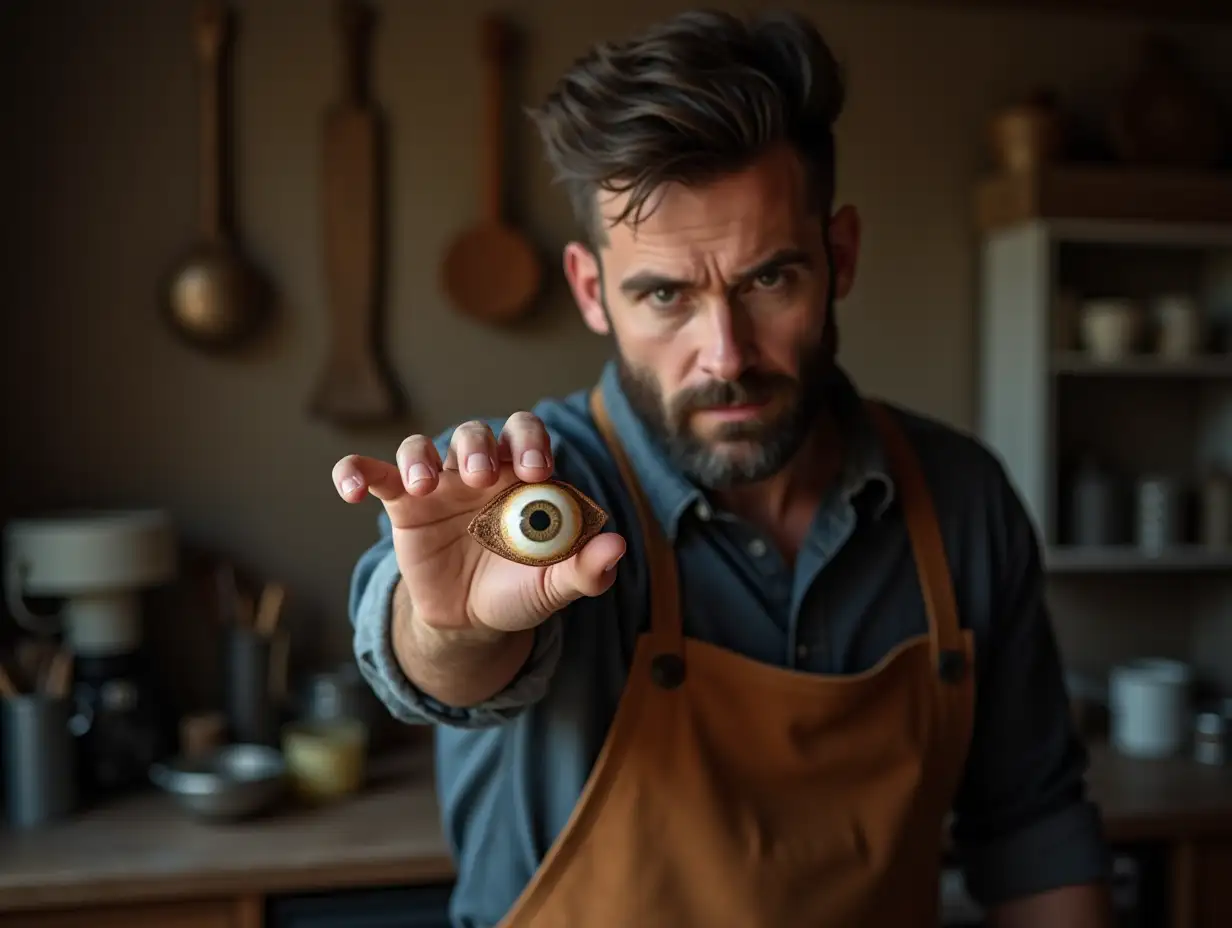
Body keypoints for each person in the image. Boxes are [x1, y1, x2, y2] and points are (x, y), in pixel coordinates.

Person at [334, 9, 1112, 927]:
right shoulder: (543, 493)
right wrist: (451, 631)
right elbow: (445, 660)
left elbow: (1034, 834)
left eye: (769, 280)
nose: (727, 354)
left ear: (841, 256)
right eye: (665, 294)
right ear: (593, 291)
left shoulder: (962, 501)